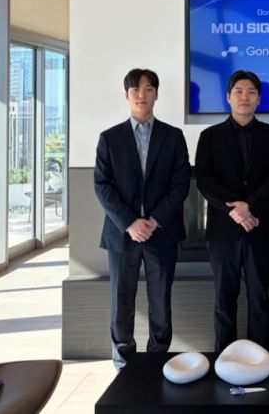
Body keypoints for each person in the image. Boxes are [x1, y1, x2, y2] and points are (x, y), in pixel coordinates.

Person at [94, 68, 191, 369]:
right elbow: (102, 185)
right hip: (122, 234)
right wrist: (130, 223)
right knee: (121, 301)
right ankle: (123, 363)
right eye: (135, 89)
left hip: (162, 233)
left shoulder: (173, 137)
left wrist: (154, 220)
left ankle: (157, 361)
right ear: (126, 95)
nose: (141, 94)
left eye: (148, 89)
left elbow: (181, 184)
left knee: (160, 302)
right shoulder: (110, 138)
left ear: (156, 94)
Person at [195, 70, 269, 351]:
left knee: (260, 298)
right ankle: (225, 359)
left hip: (261, 227)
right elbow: (205, 180)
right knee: (224, 299)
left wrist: (250, 207)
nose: (244, 97)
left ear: (259, 99)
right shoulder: (210, 136)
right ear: (228, 97)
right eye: (238, 91)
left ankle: (259, 358)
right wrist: (235, 210)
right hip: (223, 232)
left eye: (251, 92)